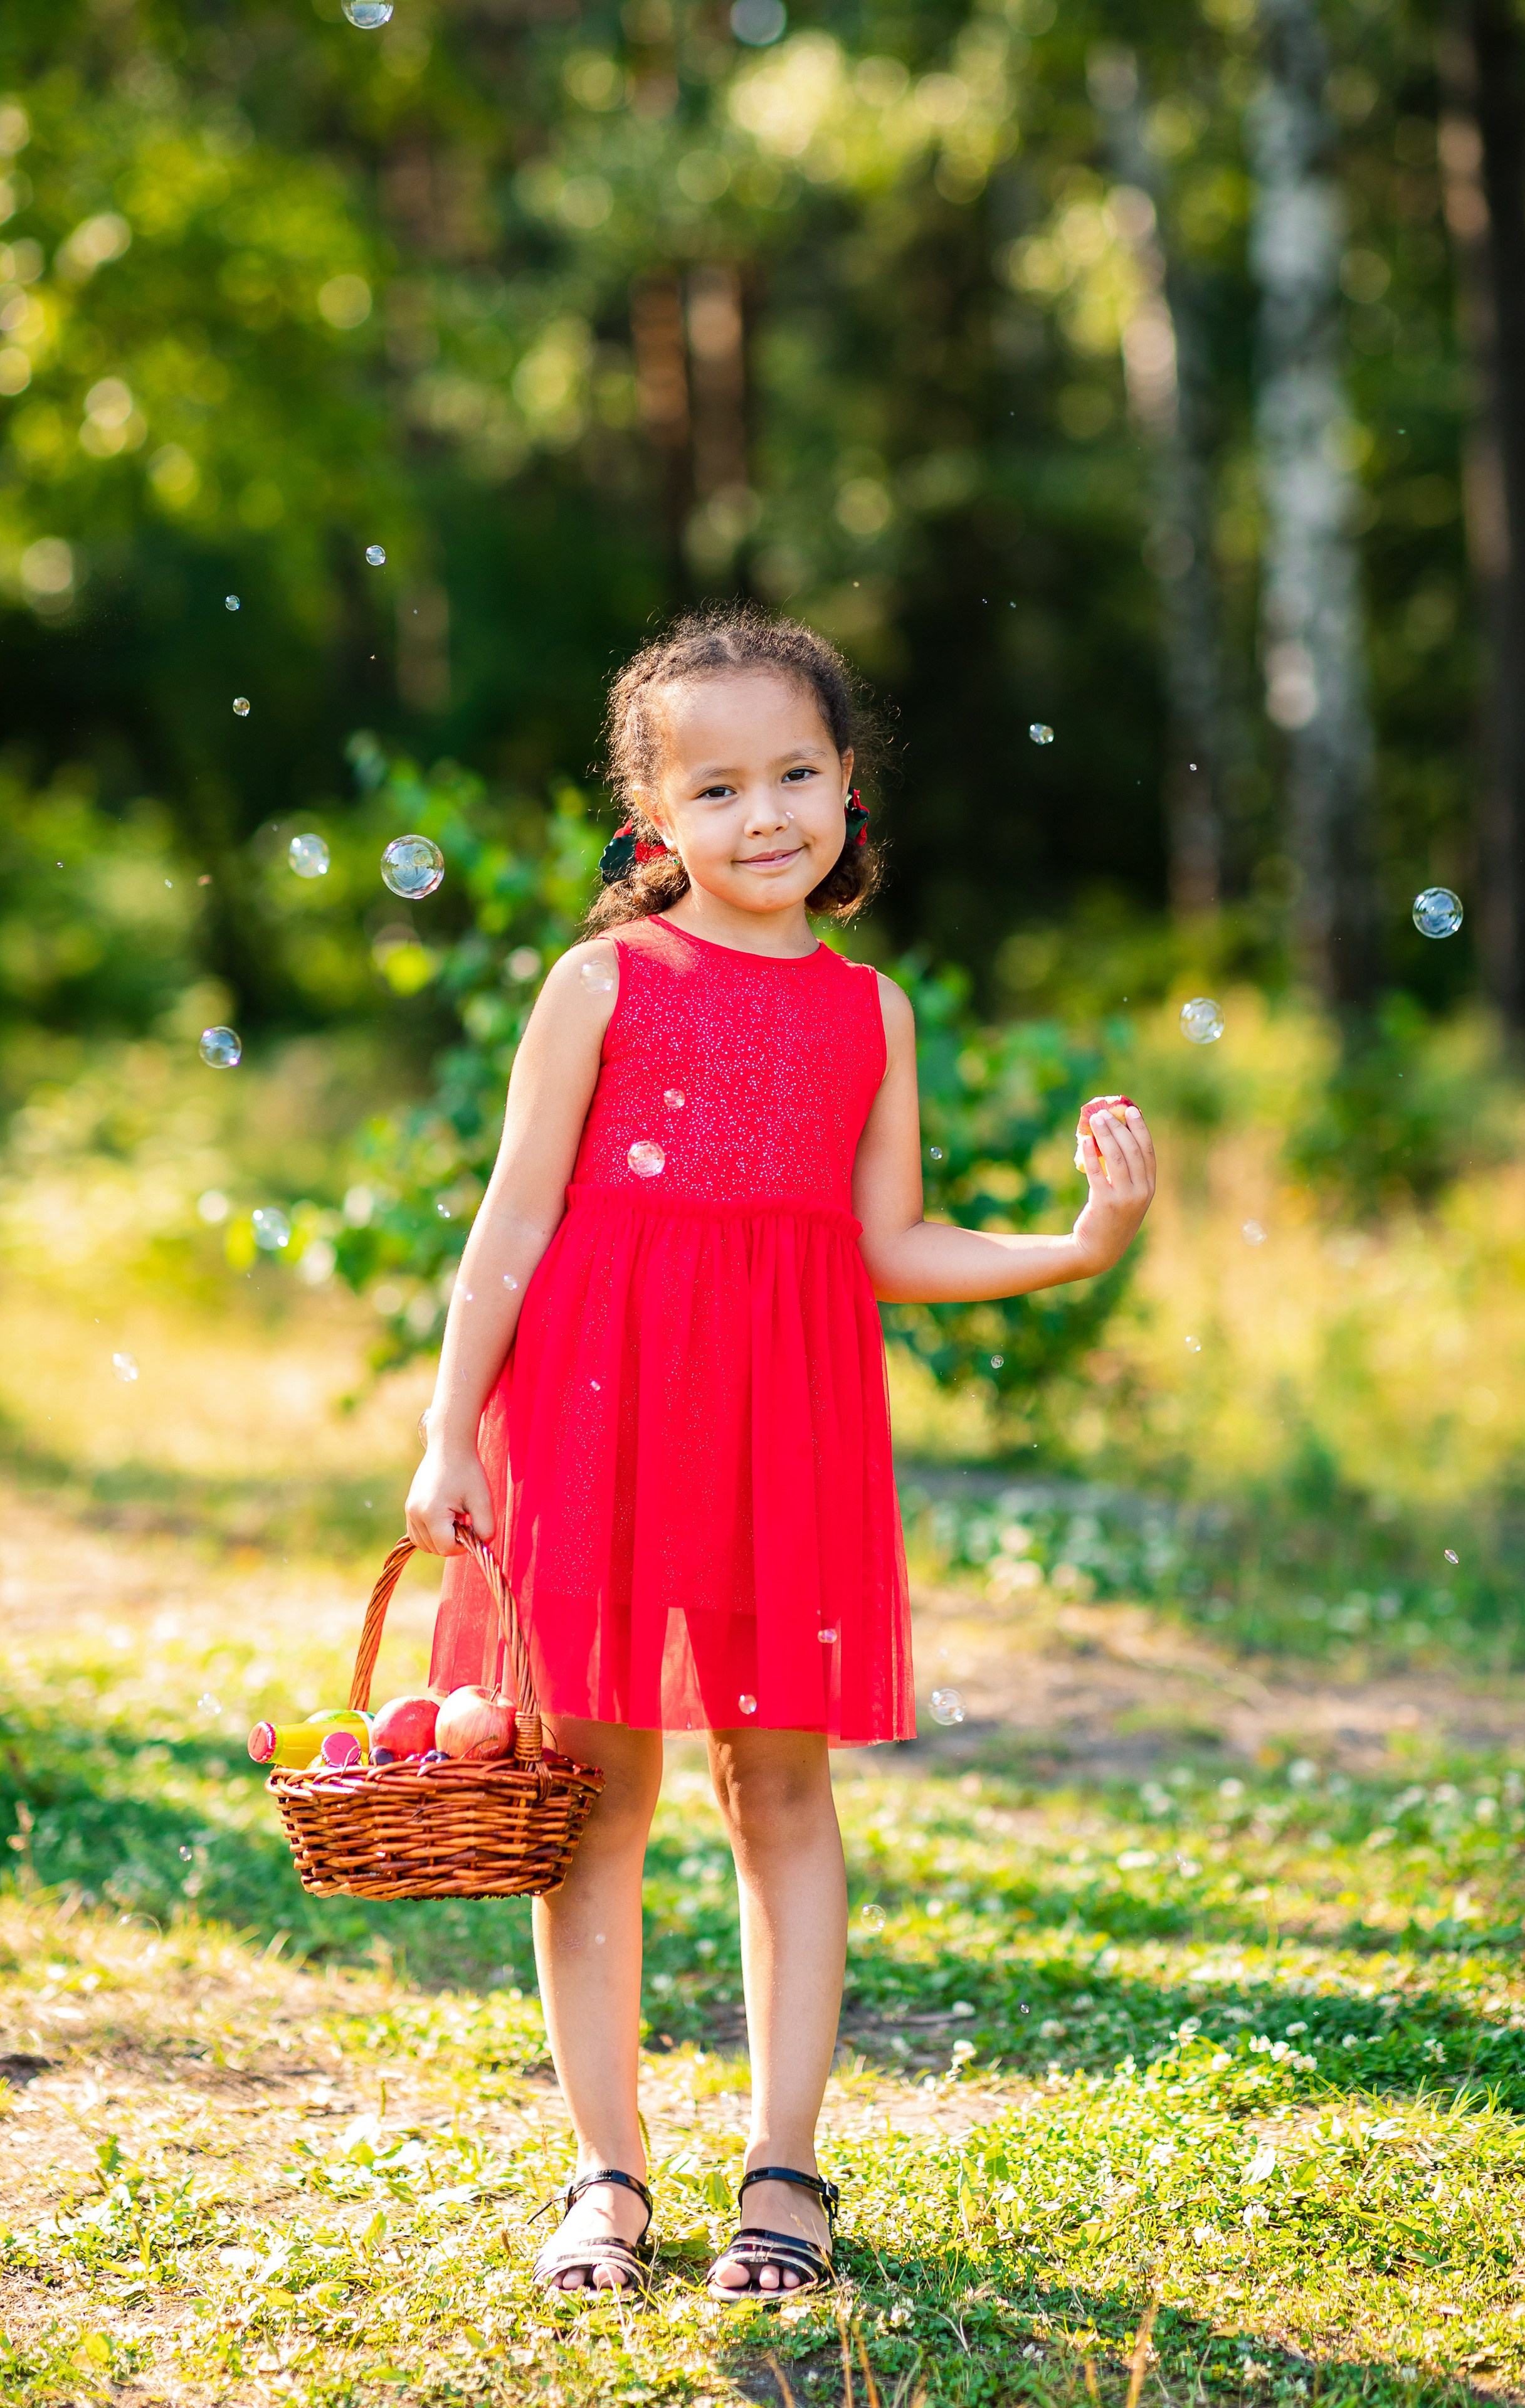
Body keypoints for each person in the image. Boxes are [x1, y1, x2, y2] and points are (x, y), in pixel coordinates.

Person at [403, 604, 1156, 2299]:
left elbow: (890, 1238)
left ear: (848, 790)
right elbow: (513, 1221)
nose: (766, 817)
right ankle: (606, 2172)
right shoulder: (601, 982)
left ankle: (783, 2170)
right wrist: (451, 1428)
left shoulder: (867, 1014)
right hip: (591, 1416)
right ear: (651, 822)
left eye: (798, 774)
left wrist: (1072, 1249)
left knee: (782, 1786)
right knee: (593, 1792)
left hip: (785, 1427)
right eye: (720, 787)